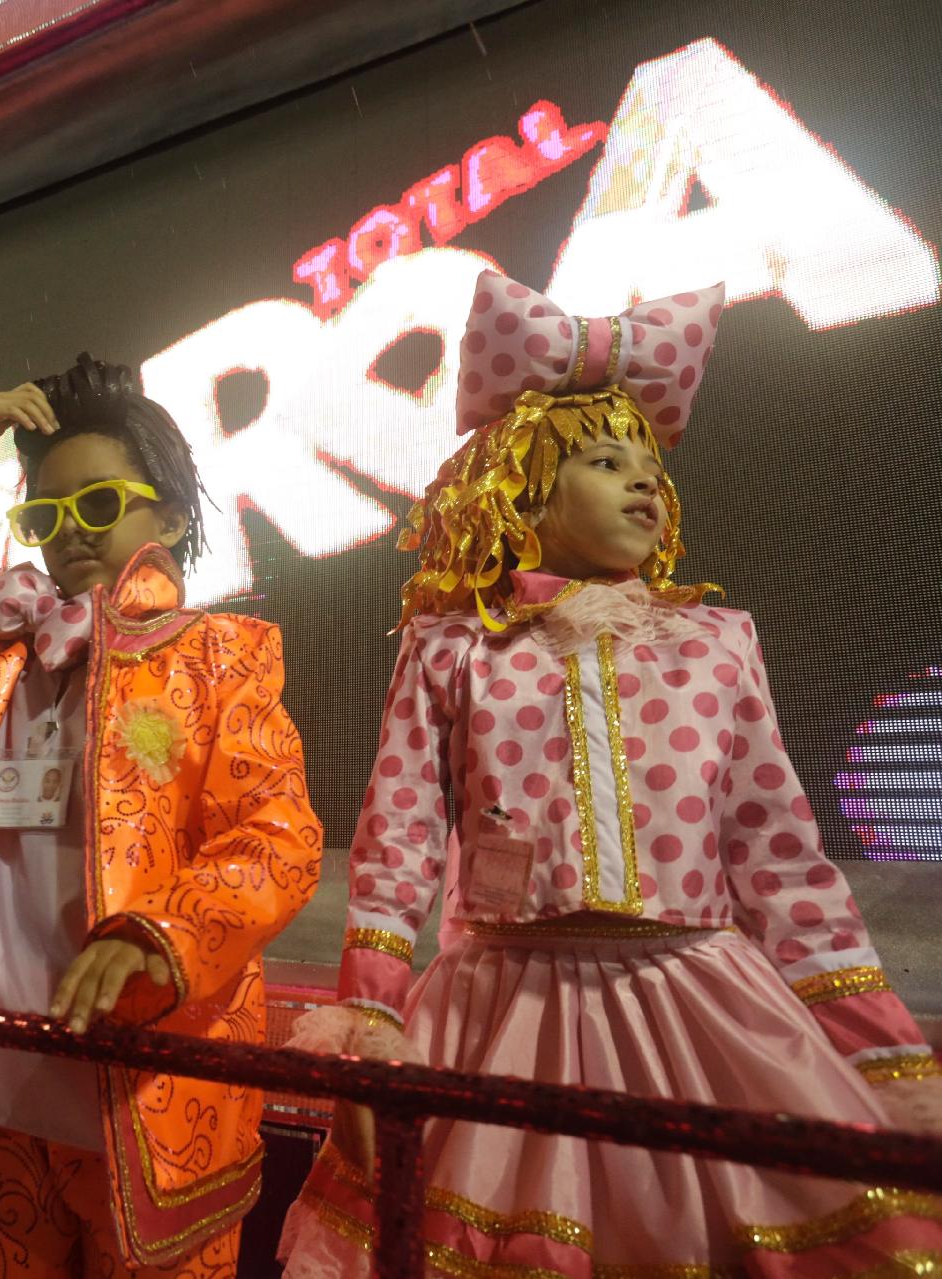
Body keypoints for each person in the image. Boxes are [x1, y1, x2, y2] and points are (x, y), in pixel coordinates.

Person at [278, 272, 942, 1277]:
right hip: (503, 1007)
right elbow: (398, 837)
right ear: (525, 490)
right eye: (603, 459)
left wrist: (881, 1052)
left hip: (700, 1003)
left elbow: (778, 855)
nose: (644, 481)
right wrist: (369, 1013)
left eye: (649, 465)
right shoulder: (450, 647)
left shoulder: (716, 643)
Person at [0, 354, 323, 1277]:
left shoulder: (216, 657)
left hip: (153, 1096)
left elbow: (277, 837)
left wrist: (158, 937)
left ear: (167, 513)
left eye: (98, 504)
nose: (69, 534)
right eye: (45, 514)